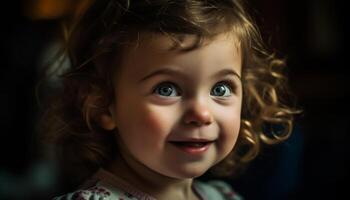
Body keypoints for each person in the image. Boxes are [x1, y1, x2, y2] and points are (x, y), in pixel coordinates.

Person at [38, 0, 299, 199]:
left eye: (220, 89)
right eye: (167, 89)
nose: (202, 114)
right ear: (102, 104)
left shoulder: (223, 195)